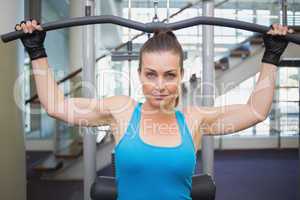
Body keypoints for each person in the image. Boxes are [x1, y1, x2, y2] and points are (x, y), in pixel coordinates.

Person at [15, 19, 294, 200]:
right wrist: (36, 52)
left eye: (169, 75)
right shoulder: (121, 111)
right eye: (151, 74)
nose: (160, 85)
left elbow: (255, 111)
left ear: (181, 75)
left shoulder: (195, 119)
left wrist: (271, 58)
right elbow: (55, 106)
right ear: (139, 74)